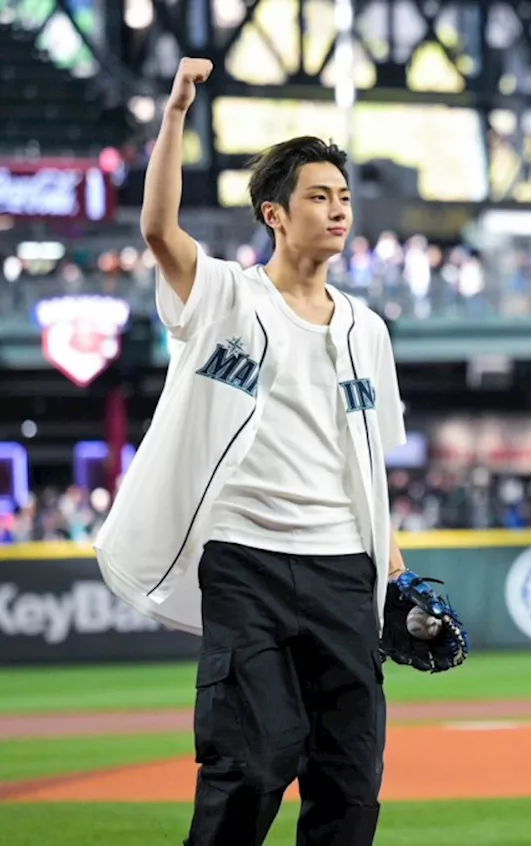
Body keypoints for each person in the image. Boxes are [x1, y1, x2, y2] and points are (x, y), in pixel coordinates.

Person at [94, 57, 407, 846]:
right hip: (247, 559)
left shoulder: (367, 329)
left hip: (345, 566)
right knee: (251, 759)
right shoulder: (229, 298)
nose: (337, 210)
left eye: (343, 197)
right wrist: (175, 114)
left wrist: (393, 557)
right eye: (318, 196)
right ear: (274, 212)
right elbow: (159, 230)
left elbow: (367, 457)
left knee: (350, 779)